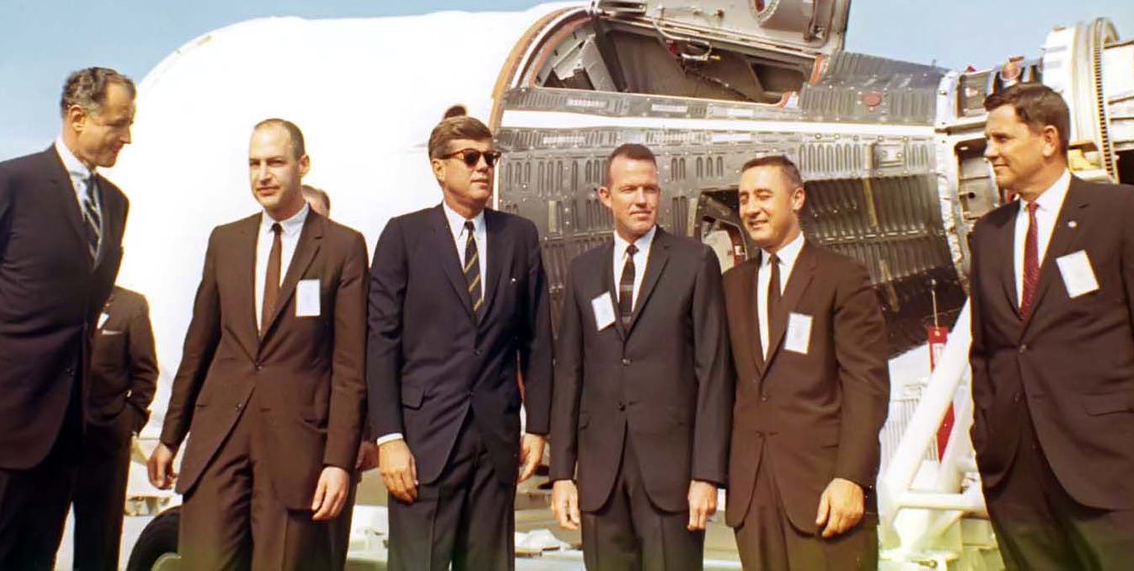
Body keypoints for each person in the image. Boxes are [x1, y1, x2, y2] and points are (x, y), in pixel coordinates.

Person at [147, 119, 368, 570]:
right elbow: (198, 348)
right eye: (254, 164)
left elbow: (349, 367)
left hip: (296, 448)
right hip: (220, 438)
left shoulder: (342, 247)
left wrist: (338, 461)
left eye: (275, 163)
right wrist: (170, 437)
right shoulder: (226, 241)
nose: (263, 175)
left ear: (302, 165)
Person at [0, 67, 135, 569]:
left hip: (59, 437)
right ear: (78, 117)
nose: (127, 138)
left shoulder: (114, 205)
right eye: (118, 124)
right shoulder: (8, 184)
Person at [366, 114, 552, 571]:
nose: (483, 166)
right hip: (423, 445)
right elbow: (381, 343)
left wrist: (537, 426)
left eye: (490, 157)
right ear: (438, 167)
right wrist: (389, 438)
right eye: (470, 158)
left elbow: (537, 340)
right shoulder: (404, 237)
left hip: (494, 444)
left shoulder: (519, 237)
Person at [970, 83, 1134, 568]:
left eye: (1002, 139)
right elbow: (986, 352)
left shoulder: (1121, 213)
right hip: (1017, 481)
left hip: (1109, 473)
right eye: (988, 140)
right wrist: (988, 440)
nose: (990, 152)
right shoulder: (989, 234)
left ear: (1048, 140)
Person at [549, 142, 731, 570]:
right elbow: (570, 374)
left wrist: (706, 474)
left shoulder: (694, 262)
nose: (641, 199)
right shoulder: (583, 271)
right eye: (629, 189)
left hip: (671, 477)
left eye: (650, 189)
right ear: (606, 196)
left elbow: (714, 372)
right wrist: (561, 474)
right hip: (601, 478)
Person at [723, 155, 888, 570]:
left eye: (764, 195)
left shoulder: (842, 278)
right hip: (754, 501)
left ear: (797, 198)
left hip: (825, 494)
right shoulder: (730, 286)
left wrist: (851, 477)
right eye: (744, 199)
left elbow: (866, 386)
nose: (751, 208)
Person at [302, 183, 378, 569]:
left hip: (338, 442)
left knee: (327, 553)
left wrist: (366, 436)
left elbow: (366, 363)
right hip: (289, 441)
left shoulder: (349, 274)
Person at [70, 285, 158, 571]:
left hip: (105, 444)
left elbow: (146, 374)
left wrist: (126, 424)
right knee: (35, 540)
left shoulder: (130, 305)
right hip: (54, 443)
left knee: (98, 546)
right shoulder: (59, 294)